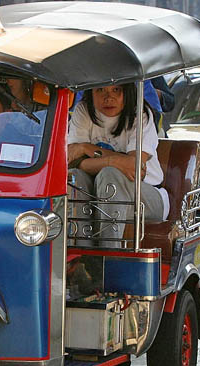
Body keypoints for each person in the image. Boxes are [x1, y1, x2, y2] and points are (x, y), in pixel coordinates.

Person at [67, 83, 169, 248]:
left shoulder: (140, 114)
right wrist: (114, 161)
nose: (108, 97)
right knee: (74, 177)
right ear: (91, 92)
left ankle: (108, 256)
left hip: (145, 195)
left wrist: (87, 149)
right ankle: (80, 255)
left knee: (110, 174)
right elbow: (73, 162)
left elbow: (134, 167)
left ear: (127, 92)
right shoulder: (84, 110)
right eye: (100, 89)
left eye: (116, 90)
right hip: (95, 191)